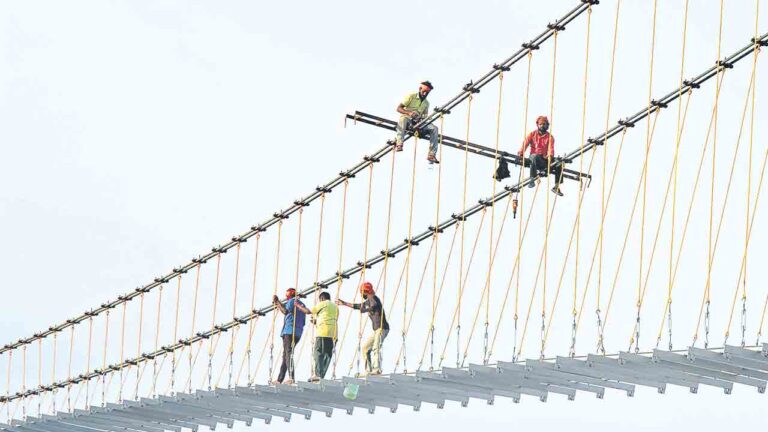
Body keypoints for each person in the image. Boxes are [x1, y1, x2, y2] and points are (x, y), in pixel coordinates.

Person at [336, 282, 389, 375]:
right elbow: (356, 306)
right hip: (376, 330)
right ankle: (368, 370)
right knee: (365, 349)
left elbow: (374, 306)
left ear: (365, 292)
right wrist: (344, 303)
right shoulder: (368, 302)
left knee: (376, 347)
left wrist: (365, 310)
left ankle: (377, 369)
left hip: (382, 328)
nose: (361, 295)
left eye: (362, 293)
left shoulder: (374, 298)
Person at [517, 115, 565, 196]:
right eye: (540, 124)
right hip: (534, 158)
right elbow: (525, 144)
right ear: (537, 125)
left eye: (544, 124)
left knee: (559, 163)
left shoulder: (550, 137)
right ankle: (532, 179)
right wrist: (520, 154)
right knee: (534, 156)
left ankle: (556, 187)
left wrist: (550, 157)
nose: (542, 126)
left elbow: (551, 148)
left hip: (544, 159)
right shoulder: (532, 134)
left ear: (547, 125)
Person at [396, 80, 440, 164]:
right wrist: (409, 113)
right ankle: (399, 143)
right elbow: (398, 108)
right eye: (424, 91)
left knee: (434, 128)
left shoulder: (426, 103)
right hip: (408, 119)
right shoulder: (411, 96)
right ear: (420, 89)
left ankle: (431, 154)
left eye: (427, 92)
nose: (425, 94)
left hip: (419, 122)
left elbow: (425, 116)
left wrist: (422, 119)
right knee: (403, 119)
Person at [272, 288, 310, 384]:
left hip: (289, 331)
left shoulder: (291, 301)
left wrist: (277, 302)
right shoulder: (302, 304)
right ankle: (280, 379)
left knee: (288, 354)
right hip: (298, 332)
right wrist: (279, 303)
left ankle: (291, 377)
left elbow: (285, 311)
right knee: (285, 355)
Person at [308, 291, 338, 382]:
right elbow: (330, 319)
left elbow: (309, 311)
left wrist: (297, 305)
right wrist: (316, 322)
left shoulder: (323, 303)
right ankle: (321, 375)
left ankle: (317, 374)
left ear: (321, 298)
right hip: (333, 334)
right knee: (327, 355)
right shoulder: (335, 307)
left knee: (318, 352)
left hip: (322, 332)